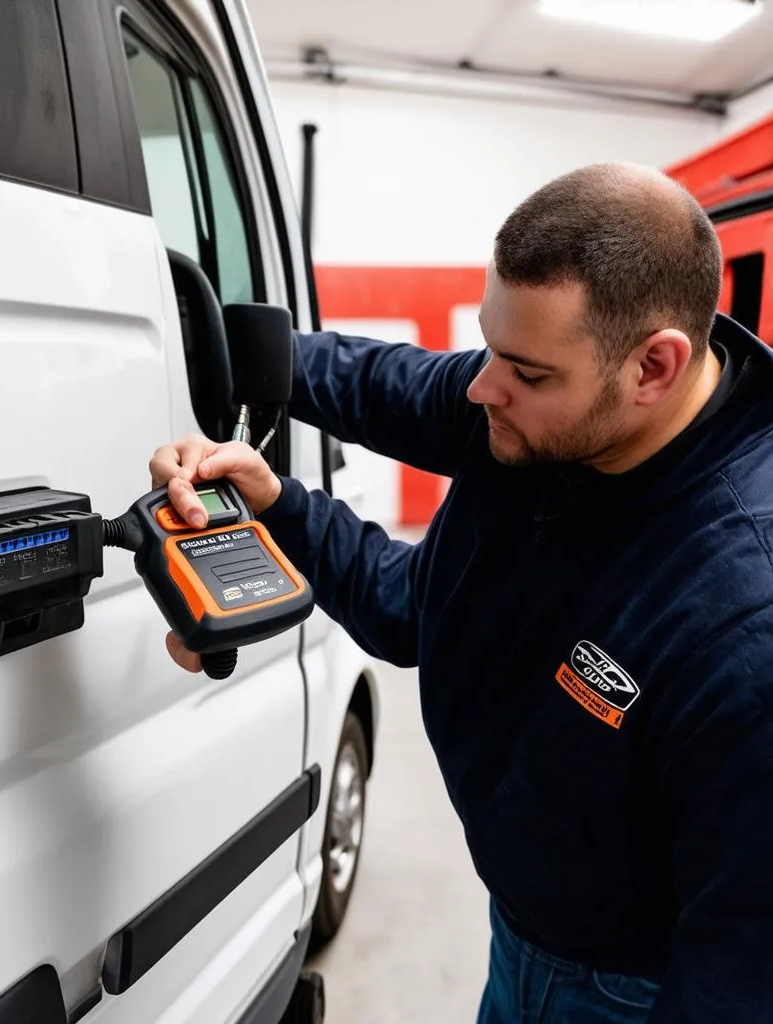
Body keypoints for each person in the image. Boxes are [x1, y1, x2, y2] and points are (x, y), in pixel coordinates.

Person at [149, 163, 773, 1023]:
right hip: (522, 931)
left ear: (653, 368)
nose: (483, 387)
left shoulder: (742, 617)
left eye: (523, 369)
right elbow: (391, 407)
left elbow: (741, 971)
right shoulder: (543, 410)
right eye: (489, 346)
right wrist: (252, 413)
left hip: (625, 991)